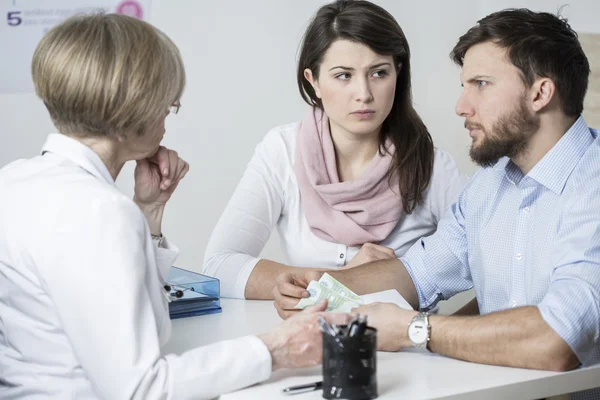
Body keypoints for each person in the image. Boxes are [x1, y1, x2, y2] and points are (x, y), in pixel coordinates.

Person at [0, 13, 348, 400]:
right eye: (166, 102)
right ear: (127, 112)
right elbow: (141, 388)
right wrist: (276, 348)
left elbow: (106, 301)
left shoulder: (13, 181)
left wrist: (148, 209)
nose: (170, 112)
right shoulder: (100, 212)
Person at [273, 8, 600, 399]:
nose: (462, 106)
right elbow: (417, 274)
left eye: (480, 84)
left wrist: (414, 329)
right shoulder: (490, 184)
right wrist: (319, 284)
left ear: (540, 93)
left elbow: (555, 342)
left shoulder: (592, 186)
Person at [203, 0, 466, 300]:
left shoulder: (433, 168)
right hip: (305, 339)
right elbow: (219, 266)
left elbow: (487, 265)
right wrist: (343, 280)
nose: (364, 94)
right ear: (313, 81)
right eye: (344, 75)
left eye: (379, 73)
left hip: (401, 343)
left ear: (398, 72)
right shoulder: (282, 151)